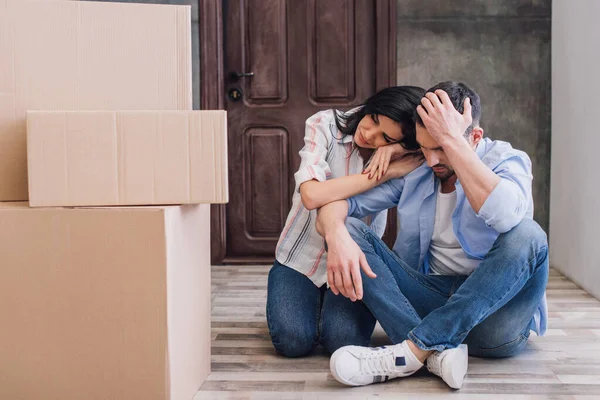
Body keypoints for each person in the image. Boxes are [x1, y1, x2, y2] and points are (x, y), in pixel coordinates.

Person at [316, 81, 549, 389]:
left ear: (474, 136)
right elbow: (338, 204)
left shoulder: (508, 160)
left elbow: (507, 217)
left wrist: (453, 143)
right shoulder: (421, 169)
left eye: (440, 149)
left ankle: (411, 350)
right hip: (430, 299)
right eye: (425, 148)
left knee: (530, 236)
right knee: (348, 228)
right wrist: (335, 234)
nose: (431, 161)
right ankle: (433, 353)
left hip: (494, 319)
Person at [267, 86, 427, 358]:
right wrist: (382, 174)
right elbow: (312, 195)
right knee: (293, 341)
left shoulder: (408, 154)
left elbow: (443, 146)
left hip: (354, 265)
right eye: (374, 119)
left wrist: (398, 149)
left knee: (344, 343)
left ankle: (326, 309)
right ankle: (307, 300)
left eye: (385, 137)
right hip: (300, 258)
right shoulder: (325, 124)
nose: (368, 133)